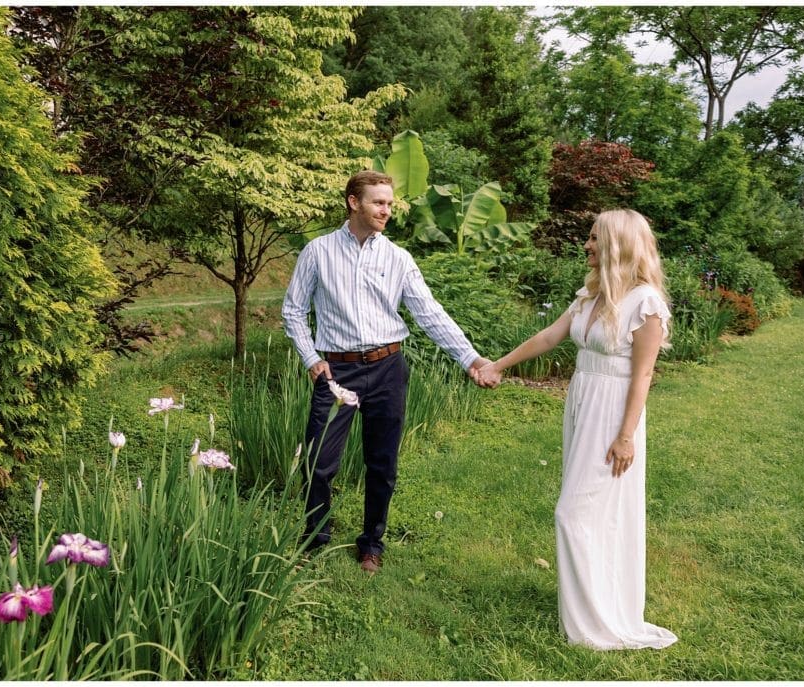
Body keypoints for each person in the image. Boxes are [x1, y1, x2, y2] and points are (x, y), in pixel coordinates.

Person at [474, 208, 678, 650]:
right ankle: (590, 605)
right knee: (592, 511)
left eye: (593, 238)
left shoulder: (645, 304)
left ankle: (597, 624)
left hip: (613, 412)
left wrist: (626, 436)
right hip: (582, 403)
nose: (585, 245)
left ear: (618, 244)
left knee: (574, 512)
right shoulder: (589, 296)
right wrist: (498, 366)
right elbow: (549, 337)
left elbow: (642, 376)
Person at [282, 170, 490, 574]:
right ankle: (315, 538)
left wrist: (471, 359)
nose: (386, 211)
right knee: (318, 463)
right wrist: (311, 358)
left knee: (382, 464)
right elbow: (293, 310)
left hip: (387, 369)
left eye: (390, 204)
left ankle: (371, 544)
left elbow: (429, 314)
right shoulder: (318, 252)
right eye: (379, 202)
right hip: (336, 371)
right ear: (353, 202)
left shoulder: (398, 258)